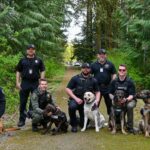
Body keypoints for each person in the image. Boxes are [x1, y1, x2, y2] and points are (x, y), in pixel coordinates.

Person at [16, 44, 45, 127]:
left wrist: (41, 82)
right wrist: (17, 82)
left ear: (34, 50)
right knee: (22, 102)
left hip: (35, 83)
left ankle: (34, 120)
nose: (31, 50)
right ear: (27, 50)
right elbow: (18, 71)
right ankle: (22, 120)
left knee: (34, 102)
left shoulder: (39, 60)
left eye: (32, 49)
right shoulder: (22, 60)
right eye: (29, 49)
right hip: (24, 83)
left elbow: (42, 70)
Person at [66, 63, 100, 133]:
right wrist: (76, 98)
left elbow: (98, 92)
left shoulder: (93, 80)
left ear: (90, 69)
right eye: (84, 68)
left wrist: (97, 101)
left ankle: (77, 120)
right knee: (72, 107)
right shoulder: (75, 78)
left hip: (87, 103)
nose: (85, 69)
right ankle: (74, 125)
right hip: (76, 100)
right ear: (81, 69)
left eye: (87, 68)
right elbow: (68, 89)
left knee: (83, 125)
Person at [109, 64, 136, 133]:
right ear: (118, 71)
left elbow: (132, 95)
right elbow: (110, 93)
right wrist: (113, 99)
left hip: (129, 100)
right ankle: (114, 125)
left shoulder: (130, 81)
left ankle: (130, 127)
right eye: (120, 70)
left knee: (129, 106)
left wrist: (126, 100)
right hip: (117, 100)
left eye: (123, 70)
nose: (122, 71)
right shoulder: (114, 81)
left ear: (126, 71)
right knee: (113, 108)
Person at [91, 49, 117, 116]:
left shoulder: (110, 64)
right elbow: (89, 74)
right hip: (97, 88)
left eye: (103, 54)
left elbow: (114, 73)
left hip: (107, 87)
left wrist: (112, 82)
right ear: (98, 55)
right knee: (95, 104)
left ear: (106, 55)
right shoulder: (93, 65)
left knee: (109, 104)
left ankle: (111, 121)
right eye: (100, 54)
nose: (102, 56)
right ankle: (93, 120)